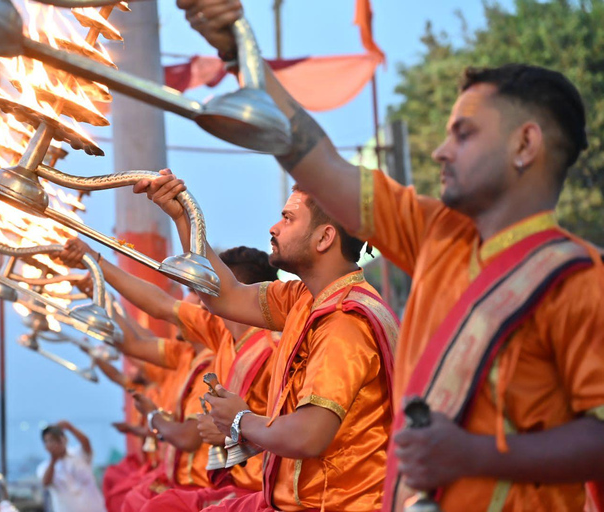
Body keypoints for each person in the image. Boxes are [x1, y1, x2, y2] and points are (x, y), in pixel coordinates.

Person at [174, 3, 604, 510]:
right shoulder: (436, 234)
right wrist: (237, 45)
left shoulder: (579, 279)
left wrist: (474, 454)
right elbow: (318, 163)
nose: (441, 151)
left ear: (525, 144)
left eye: (463, 134)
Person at [137, 174, 398, 511]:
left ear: (324, 237)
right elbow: (225, 295)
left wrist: (239, 420)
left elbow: (308, 435)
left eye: (288, 218)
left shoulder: (343, 321)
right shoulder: (304, 298)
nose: (274, 228)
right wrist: (184, 214)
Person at [61, 239, 281, 510]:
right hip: (229, 484)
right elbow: (158, 308)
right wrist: (97, 264)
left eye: (204, 288)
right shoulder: (220, 333)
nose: (200, 298)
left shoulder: (274, 347)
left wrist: (157, 417)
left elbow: (289, 430)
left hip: (256, 488)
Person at [37, 421, 105, 512]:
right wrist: (53, 459)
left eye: (56, 439)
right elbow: (46, 482)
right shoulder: (44, 467)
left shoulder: (78, 454)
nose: (54, 444)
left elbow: (87, 444)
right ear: (45, 446)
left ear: (65, 439)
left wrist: (70, 427)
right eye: (49, 441)